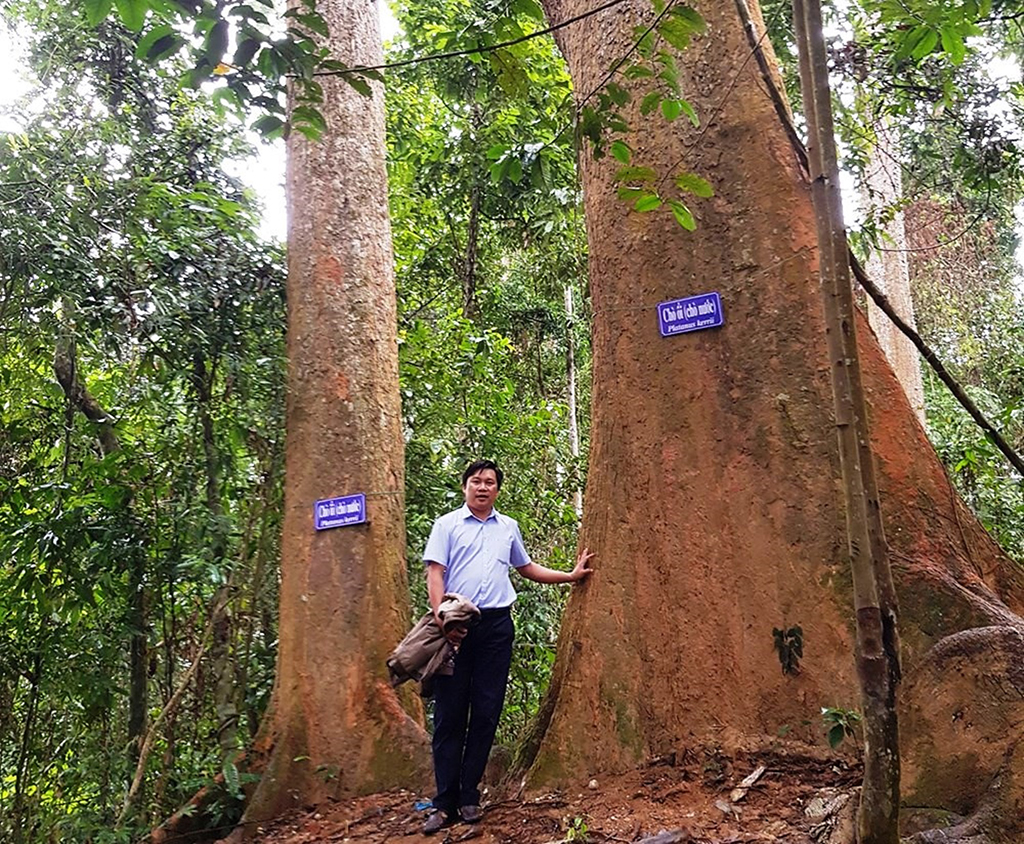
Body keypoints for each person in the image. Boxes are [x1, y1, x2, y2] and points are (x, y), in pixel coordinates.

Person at [421, 459, 594, 835]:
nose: (482, 487)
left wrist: (570, 576)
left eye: (489, 483)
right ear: (465, 486)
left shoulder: (508, 528)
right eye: (476, 482)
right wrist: (440, 617)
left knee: (486, 710)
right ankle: (442, 802)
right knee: (450, 714)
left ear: (498, 489)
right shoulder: (446, 525)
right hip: (455, 626)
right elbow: (435, 572)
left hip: (497, 627)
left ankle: (469, 797)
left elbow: (526, 568)